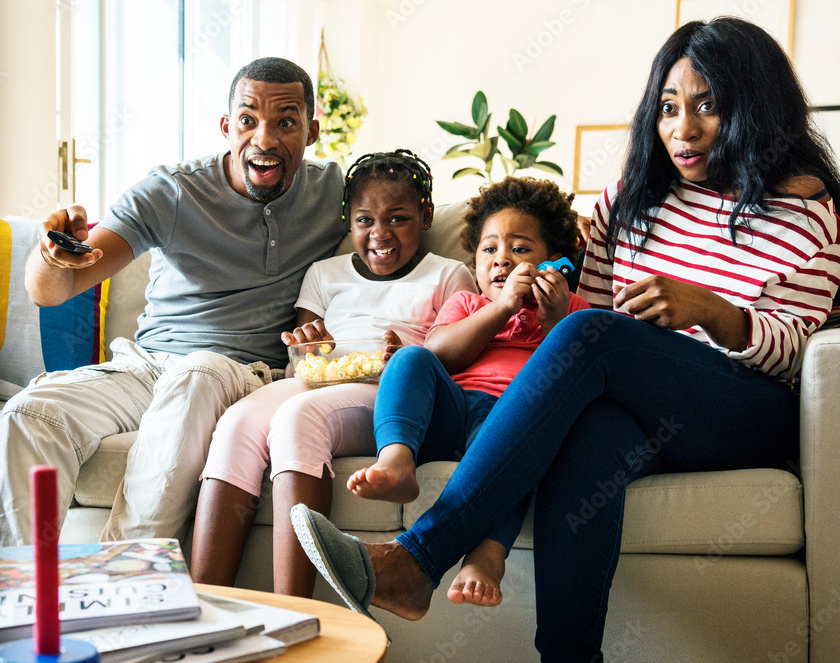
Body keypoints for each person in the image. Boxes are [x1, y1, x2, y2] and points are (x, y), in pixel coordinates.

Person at [290, 17, 840, 662]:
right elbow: (598, 327)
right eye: (667, 108)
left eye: (707, 106)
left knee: (591, 334)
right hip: (640, 407)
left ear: (757, 108)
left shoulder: (806, 208)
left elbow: (798, 352)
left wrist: (712, 311)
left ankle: (417, 559)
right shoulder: (632, 200)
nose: (682, 130)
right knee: (593, 432)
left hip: (742, 408)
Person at [0, 57, 348, 549]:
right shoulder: (173, 190)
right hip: (147, 369)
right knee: (32, 412)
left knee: (197, 374)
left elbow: (398, 229)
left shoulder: (335, 194)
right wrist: (52, 256)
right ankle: (10, 602)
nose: (264, 138)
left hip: (236, 374)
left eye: (285, 121)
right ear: (225, 126)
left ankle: (126, 585)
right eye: (247, 119)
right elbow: (52, 291)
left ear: (312, 131)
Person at [190, 150, 478, 597]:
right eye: (364, 220)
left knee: (298, 418)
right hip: (318, 379)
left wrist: (407, 354)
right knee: (236, 424)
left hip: (391, 394)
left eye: (397, 219)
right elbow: (300, 359)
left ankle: (295, 615)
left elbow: (454, 356)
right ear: (348, 220)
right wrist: (312, 346)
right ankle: (207, 604)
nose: (379, 234)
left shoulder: (448, 274)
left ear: (425, 217)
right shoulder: (325, 273)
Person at [346, 176, 589, 607]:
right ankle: (398, 460)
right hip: (452, 413)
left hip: (511, 424)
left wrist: (554, 321)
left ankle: (486, 556)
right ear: (474, 262)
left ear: (554, 262)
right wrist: (501, 309)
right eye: (490, 250)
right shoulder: (469, 305)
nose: (502, 261)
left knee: (513, 445)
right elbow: (441, 354)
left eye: (520, 249)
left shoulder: (572, 310)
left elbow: (572, 377)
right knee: (410, 358)